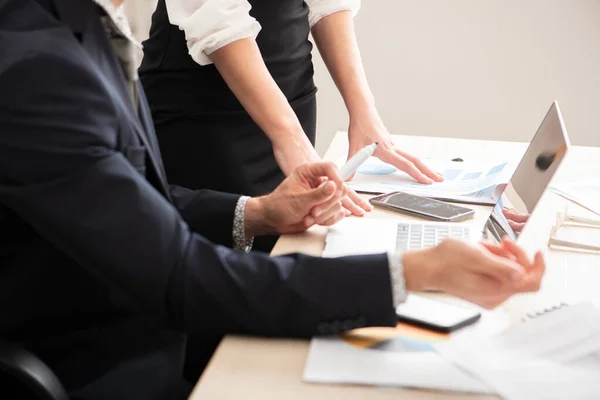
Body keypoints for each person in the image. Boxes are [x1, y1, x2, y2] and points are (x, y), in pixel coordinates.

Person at [0, 0, 545, 399]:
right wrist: (411, 273)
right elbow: (181, 277)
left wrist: (257, 213)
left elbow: (133, 201)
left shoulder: (84, 29)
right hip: (102, 368)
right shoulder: (42, 67)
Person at [139, 0, 444, 220]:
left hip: (292, 93)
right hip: (203, 110)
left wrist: (364, 111)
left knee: (292, 242)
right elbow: (216, 16)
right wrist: (289, 138)